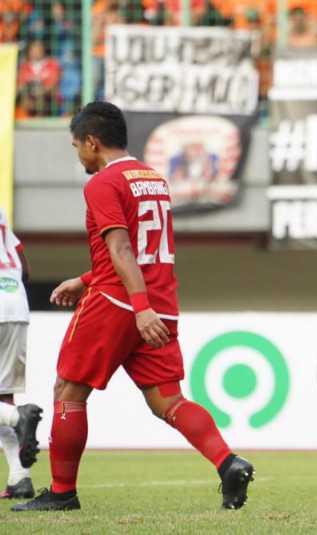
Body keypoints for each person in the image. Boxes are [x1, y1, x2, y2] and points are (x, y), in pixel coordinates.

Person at [13, 102, 254, 512]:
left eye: (77, 147)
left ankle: (62, 491)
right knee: (169, 400)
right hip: (160, 302)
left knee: (68, 390)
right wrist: (88, 278)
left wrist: (134, 306)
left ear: (92, 141)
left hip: (118, 303)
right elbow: (143, 249)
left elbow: (123, 246)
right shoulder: (153, 178)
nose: (79, 157)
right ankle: (228, 462)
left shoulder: (102, 183)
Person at [0, 208, 43, 500]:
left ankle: (18, 417)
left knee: (9, 411)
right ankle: (19, 478)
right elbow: (24, 266)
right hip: (16, 304)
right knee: (3, 399)